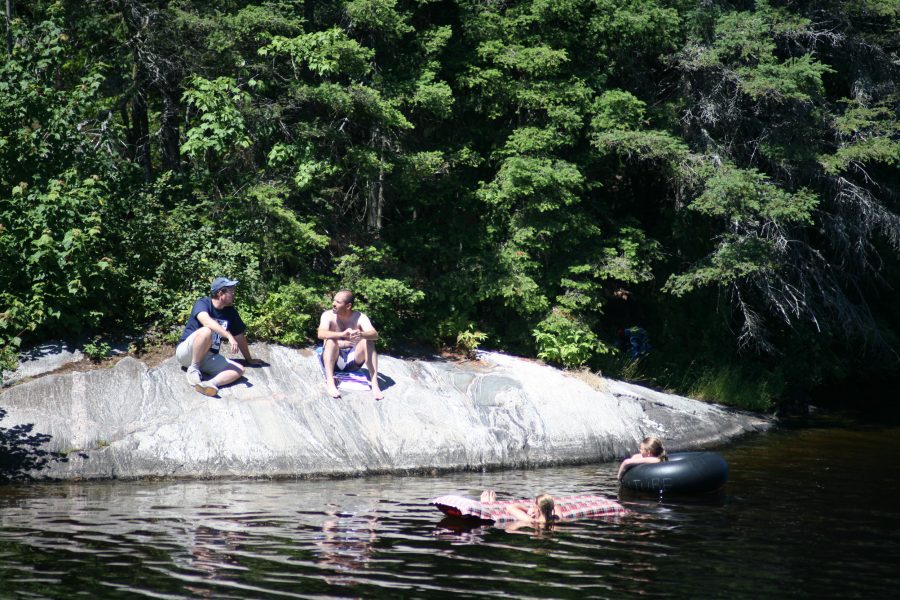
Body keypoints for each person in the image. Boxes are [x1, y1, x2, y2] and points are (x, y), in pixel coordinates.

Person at [176, 277, 263, 396]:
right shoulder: (203, 303)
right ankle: (193, 369)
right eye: (231, 291)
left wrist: (249, 359)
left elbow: (239, 337)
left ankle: (209, 385)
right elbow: (206, 321)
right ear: (220, 293)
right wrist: (228, 336)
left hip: (208, 356)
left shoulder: (230, 312)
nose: (234, 294)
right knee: (207, 331)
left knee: (239, 369)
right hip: (187, 352)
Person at [317, 290, 383, 400]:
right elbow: (321, 334)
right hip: (335, 360)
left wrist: (361, 334)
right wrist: (341, 334)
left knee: (368, 340)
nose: (333, 304)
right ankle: (330, 382)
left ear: (348, 306)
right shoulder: (327, 315)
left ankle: (375, 384)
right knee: (331, 339)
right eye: (334, 300)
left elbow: (375, 335)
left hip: (353, 361)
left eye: (338, 302)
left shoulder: (360, 317)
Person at [480, 490, 559, 524]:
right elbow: (556, 506)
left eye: (534, 505)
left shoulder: (532, 521)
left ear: (538, 509)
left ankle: (488, 502)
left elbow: (510, 507)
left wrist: (528, 510)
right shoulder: (556, 519)